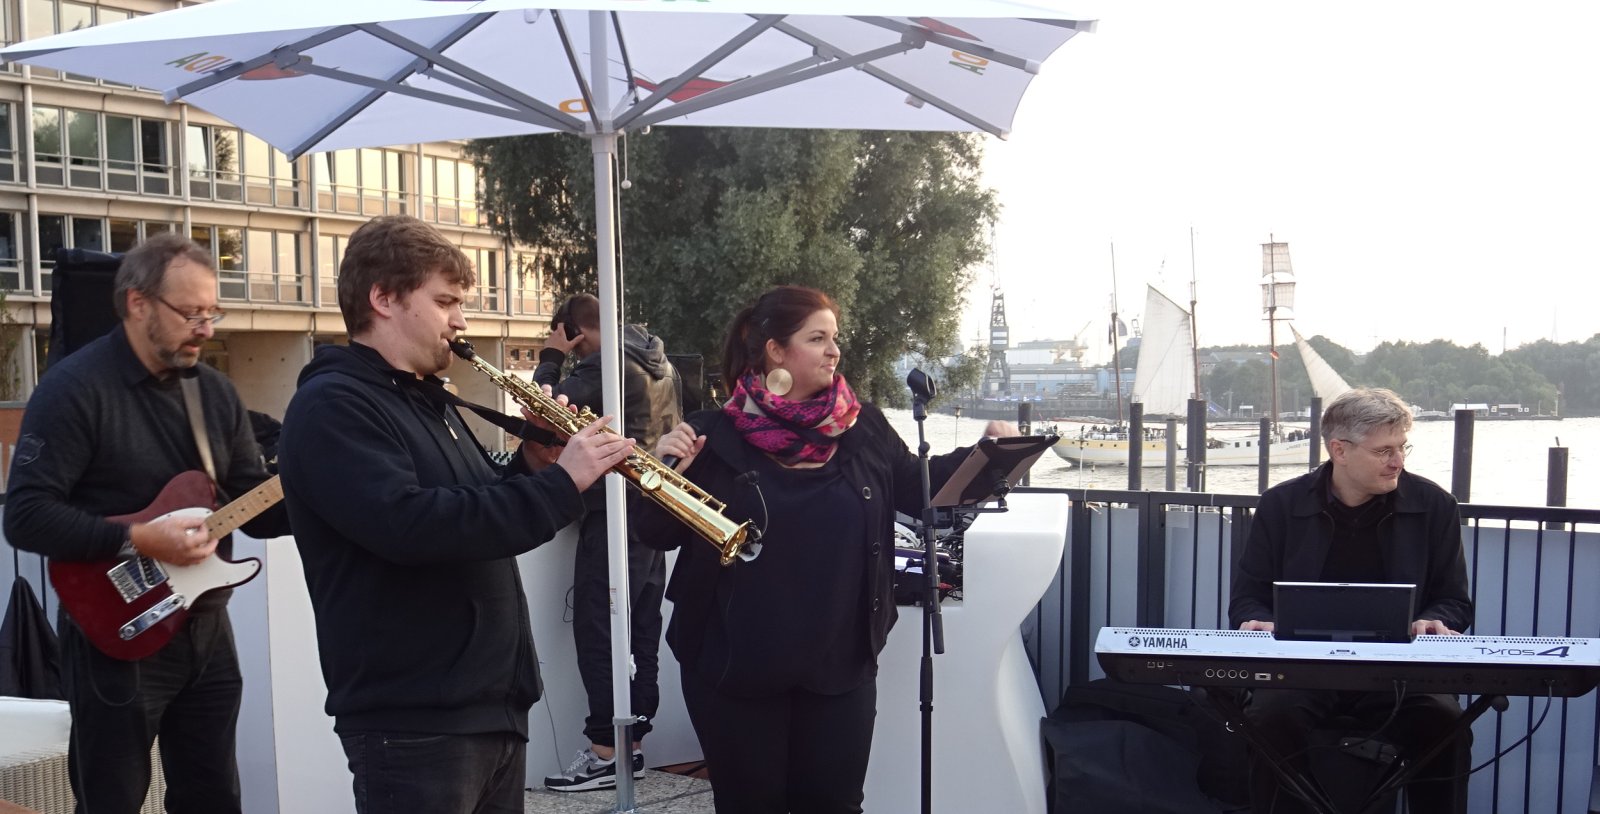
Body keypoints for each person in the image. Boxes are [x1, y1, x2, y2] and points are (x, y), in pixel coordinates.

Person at [275, 215, 635, 813]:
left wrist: (534, 463)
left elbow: (475, 500)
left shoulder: (426, 398)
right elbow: (412, 525)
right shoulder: (333, 405)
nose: (460, 321)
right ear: (383, 298)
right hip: (413, 721)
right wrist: (563, 485)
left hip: (488, 707)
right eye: (445, 302)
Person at [641, 285, 1013, 813]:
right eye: (817, 338)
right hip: (734, 665)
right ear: (776, 350)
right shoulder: (711, 436)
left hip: (840, 665)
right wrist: (662, 471)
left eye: (834, 338)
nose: (834, 351)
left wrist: (990, 458)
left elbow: (919, 489)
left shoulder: (865, 428)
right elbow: (653, 533)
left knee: (836, 805)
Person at [3, 233, 289, 813]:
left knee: (214, 799)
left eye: (212, 313)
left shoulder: (214, 394)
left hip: (206, 631)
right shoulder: (75, 389)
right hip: (112, 636)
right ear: (138, 303)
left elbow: (252, 509)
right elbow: (26, 516)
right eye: (190, 314)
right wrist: (137, 538)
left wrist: (323, 489)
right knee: (111, 800)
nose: (205, 329)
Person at [1229, 387, 1472, 814]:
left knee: (1445, 722)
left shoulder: (1434, 505)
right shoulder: (1280, 505)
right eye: (1384, 451)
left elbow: (1453, 600)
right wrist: (1259, 621)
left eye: (1402, 447)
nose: (1398, 461)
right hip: (1301, 669)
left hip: (1400, 671)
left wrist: (1434, 620)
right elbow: (1248, 599)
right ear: (1339, 450)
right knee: (1268, 719)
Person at [535, 294, 681, 792]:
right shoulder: (660, 362)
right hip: (655, 513)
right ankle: (631, 744)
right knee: (641, 631)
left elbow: (543, 410)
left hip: (614, 514)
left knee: (600, 630)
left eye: (571, 343)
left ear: (576, 331)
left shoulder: (605, 364)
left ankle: (604, 751)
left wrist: (551, 357)